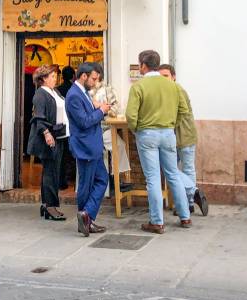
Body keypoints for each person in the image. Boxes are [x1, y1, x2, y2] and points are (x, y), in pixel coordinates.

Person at [126, 51, 193, 233]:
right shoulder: (173, 86)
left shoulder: (138, 86)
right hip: (168, 133)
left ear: (143, 65)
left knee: (153, 178)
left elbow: (131, 116)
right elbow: (184, 110)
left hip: (147, 133)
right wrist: (172, 124)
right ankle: (185, 216)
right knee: (172, 174)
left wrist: (137, 129)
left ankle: (157, 221)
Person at [65, 62, 111, 237]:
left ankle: (87, 216)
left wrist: (98, 107)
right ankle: (85, 217)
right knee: (86, 184)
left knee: (101, 179)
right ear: (83, 76)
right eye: (93, 78)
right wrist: (101, 111)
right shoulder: (74, 95)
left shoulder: (82, 93)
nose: (95, 82)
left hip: (92, 146)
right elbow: (84, 122)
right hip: (86, 147)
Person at [159, 64, 209, 216]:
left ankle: (189, 203)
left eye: (166, 76)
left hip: (184, 135)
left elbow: (181, 112)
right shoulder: (167, 91)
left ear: (173, 76)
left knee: (183, 169)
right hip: (174, 136)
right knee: (173, 170)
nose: (164, 79)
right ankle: (192, 197)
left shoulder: (177, 90)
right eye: (161, 76)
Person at [26, 65, 68, 221]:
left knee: (51, 171)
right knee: (51, 172)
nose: (55, 79)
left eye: (56, 76)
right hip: (49, 138)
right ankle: (50, 206)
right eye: (52, 76)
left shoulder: (54, 92)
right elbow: (38, 117)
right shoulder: (40, 94)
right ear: (43, 78)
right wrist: (46, 133)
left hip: (60, 135)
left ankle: (47, 205)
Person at [88, 63, 132, 193]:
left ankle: (117, 179)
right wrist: (99, 108)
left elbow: (115, 105)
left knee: (119, 145)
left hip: (106, 127)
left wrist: (107, 111)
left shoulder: (107, 89)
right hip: (91, 129)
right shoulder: (85, 91)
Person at [56, 66, 77, 190]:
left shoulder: (57, 90)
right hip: (72, 125)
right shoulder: (74, 90)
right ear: (73, 76)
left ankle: (61, 181)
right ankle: (72, 178)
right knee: (71, 154)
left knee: (62, 154)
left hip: (61, 125)